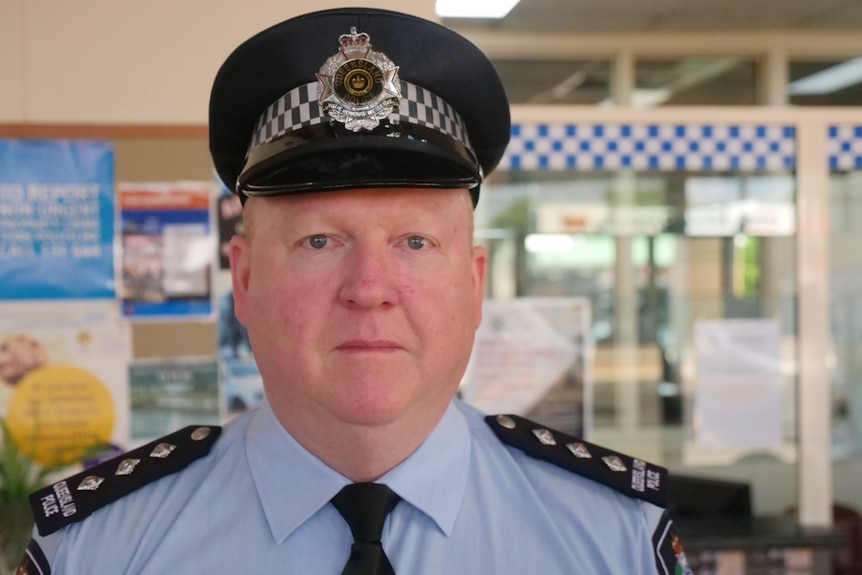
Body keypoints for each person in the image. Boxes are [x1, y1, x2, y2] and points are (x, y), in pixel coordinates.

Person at [19, 7, 690, 574]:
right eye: (320, 242)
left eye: (415, 242)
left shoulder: (615, 538)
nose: (370, 290)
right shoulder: (95, 549)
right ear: (245, 282)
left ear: (476, 283)